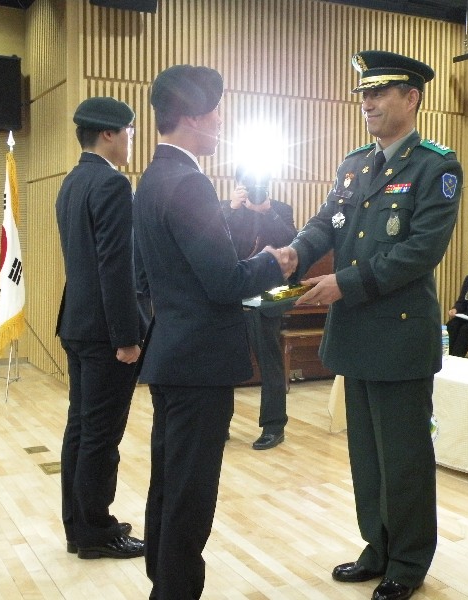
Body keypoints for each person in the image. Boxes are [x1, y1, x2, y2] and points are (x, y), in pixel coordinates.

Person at [279, 50, 462, 600]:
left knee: (404, 459)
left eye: (380, 93)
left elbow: (419, 252)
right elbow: (327, 221)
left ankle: (408, 560)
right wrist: (296, 252)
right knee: (366, 457)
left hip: (400, 338)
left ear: (413, 98)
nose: (368, 103)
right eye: (364, 93)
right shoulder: (355, 165)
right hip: (356, 335)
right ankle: (376, 547)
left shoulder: (436, 167)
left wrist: (345, 283)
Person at [132, 64, 292, 600]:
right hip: (200, 363)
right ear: (194, 116)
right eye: (217, 110)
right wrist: (275, 261)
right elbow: (225, 282)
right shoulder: (190, 183)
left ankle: (163, 582)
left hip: (173, 353)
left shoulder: (153, 178)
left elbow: (149, 275)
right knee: (191, 493)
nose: (221, 121)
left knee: (169, 482)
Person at [55, 97, 146, 560]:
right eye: (129, 131)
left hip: (77, 322)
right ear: (109, 133)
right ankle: (96, 531)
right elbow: (115, 267)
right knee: (101, 435)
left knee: (81, 427)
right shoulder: (111, 183)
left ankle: (78, 524)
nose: (131, 140)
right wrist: (127, 338)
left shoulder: (72, 181)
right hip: (105, 332)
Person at [221, 166, 297, 450]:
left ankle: (274, 427)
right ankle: (220, 425)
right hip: (232, 295)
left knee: (270, 363)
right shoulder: (226, 209)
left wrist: (267, 212)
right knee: (224, 364)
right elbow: (217, 243)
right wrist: (232, 209)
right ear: (238, 184)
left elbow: (291, 241)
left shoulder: (280, 210)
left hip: (267, 297)